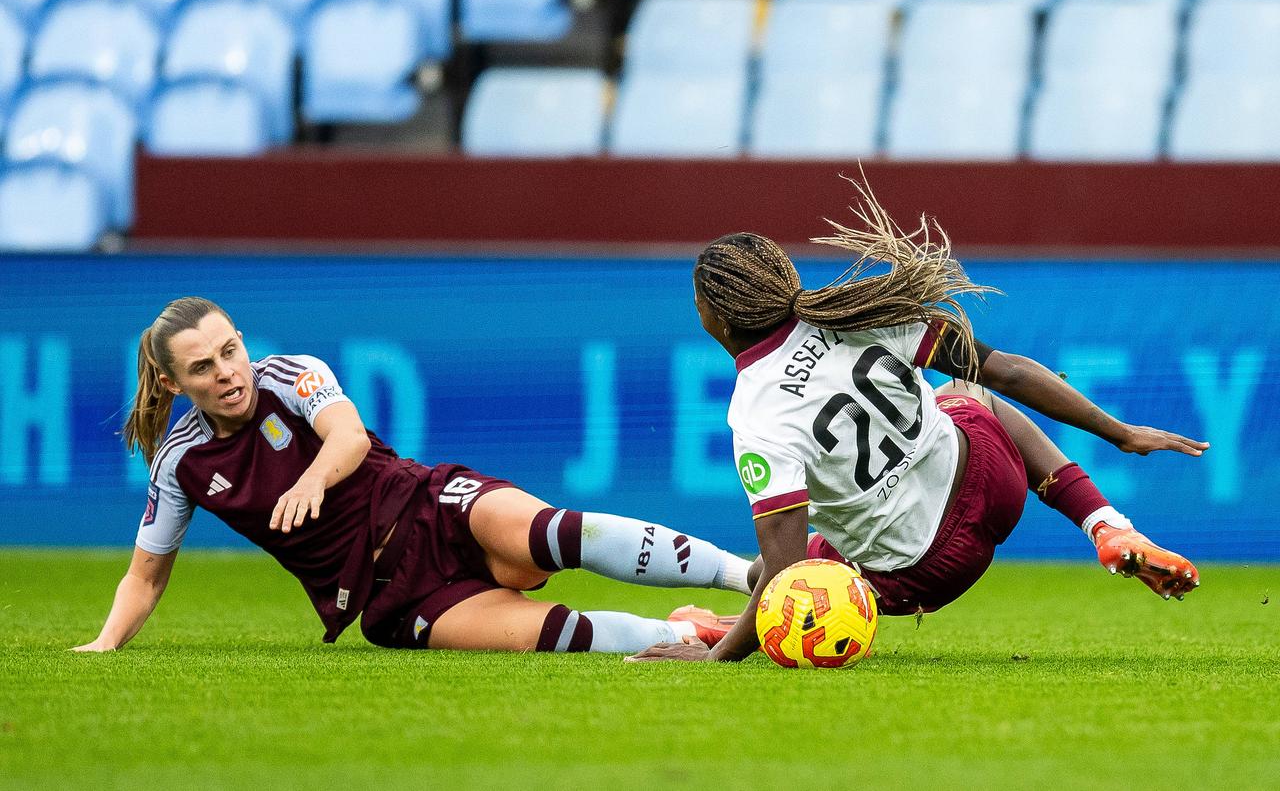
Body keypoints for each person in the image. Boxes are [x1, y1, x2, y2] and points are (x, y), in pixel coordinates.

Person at [629, 177, 1206, 663]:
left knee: (777, 572)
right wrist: (1122, 433)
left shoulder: (757, 414)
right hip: (993, 480)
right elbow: (1006, 371)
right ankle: (1105, 525)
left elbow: (788, 577)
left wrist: (716, 659)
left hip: (924, 569)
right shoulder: (862, 311)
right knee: (967, 388)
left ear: (716, 319)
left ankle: (710, 631)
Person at [73, 297, 750, 654]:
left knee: (553, 534)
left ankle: (749, 575)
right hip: (394, 596)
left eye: (230, 350)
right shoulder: (180, 463)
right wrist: (107, 641)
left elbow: (345, 431)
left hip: (428, 504)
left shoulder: (289, 374)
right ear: (171, 380)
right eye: (202, 367)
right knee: (560, 636)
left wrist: (311, 480)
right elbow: (146, 573)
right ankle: (690, 634)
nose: (226, 372)